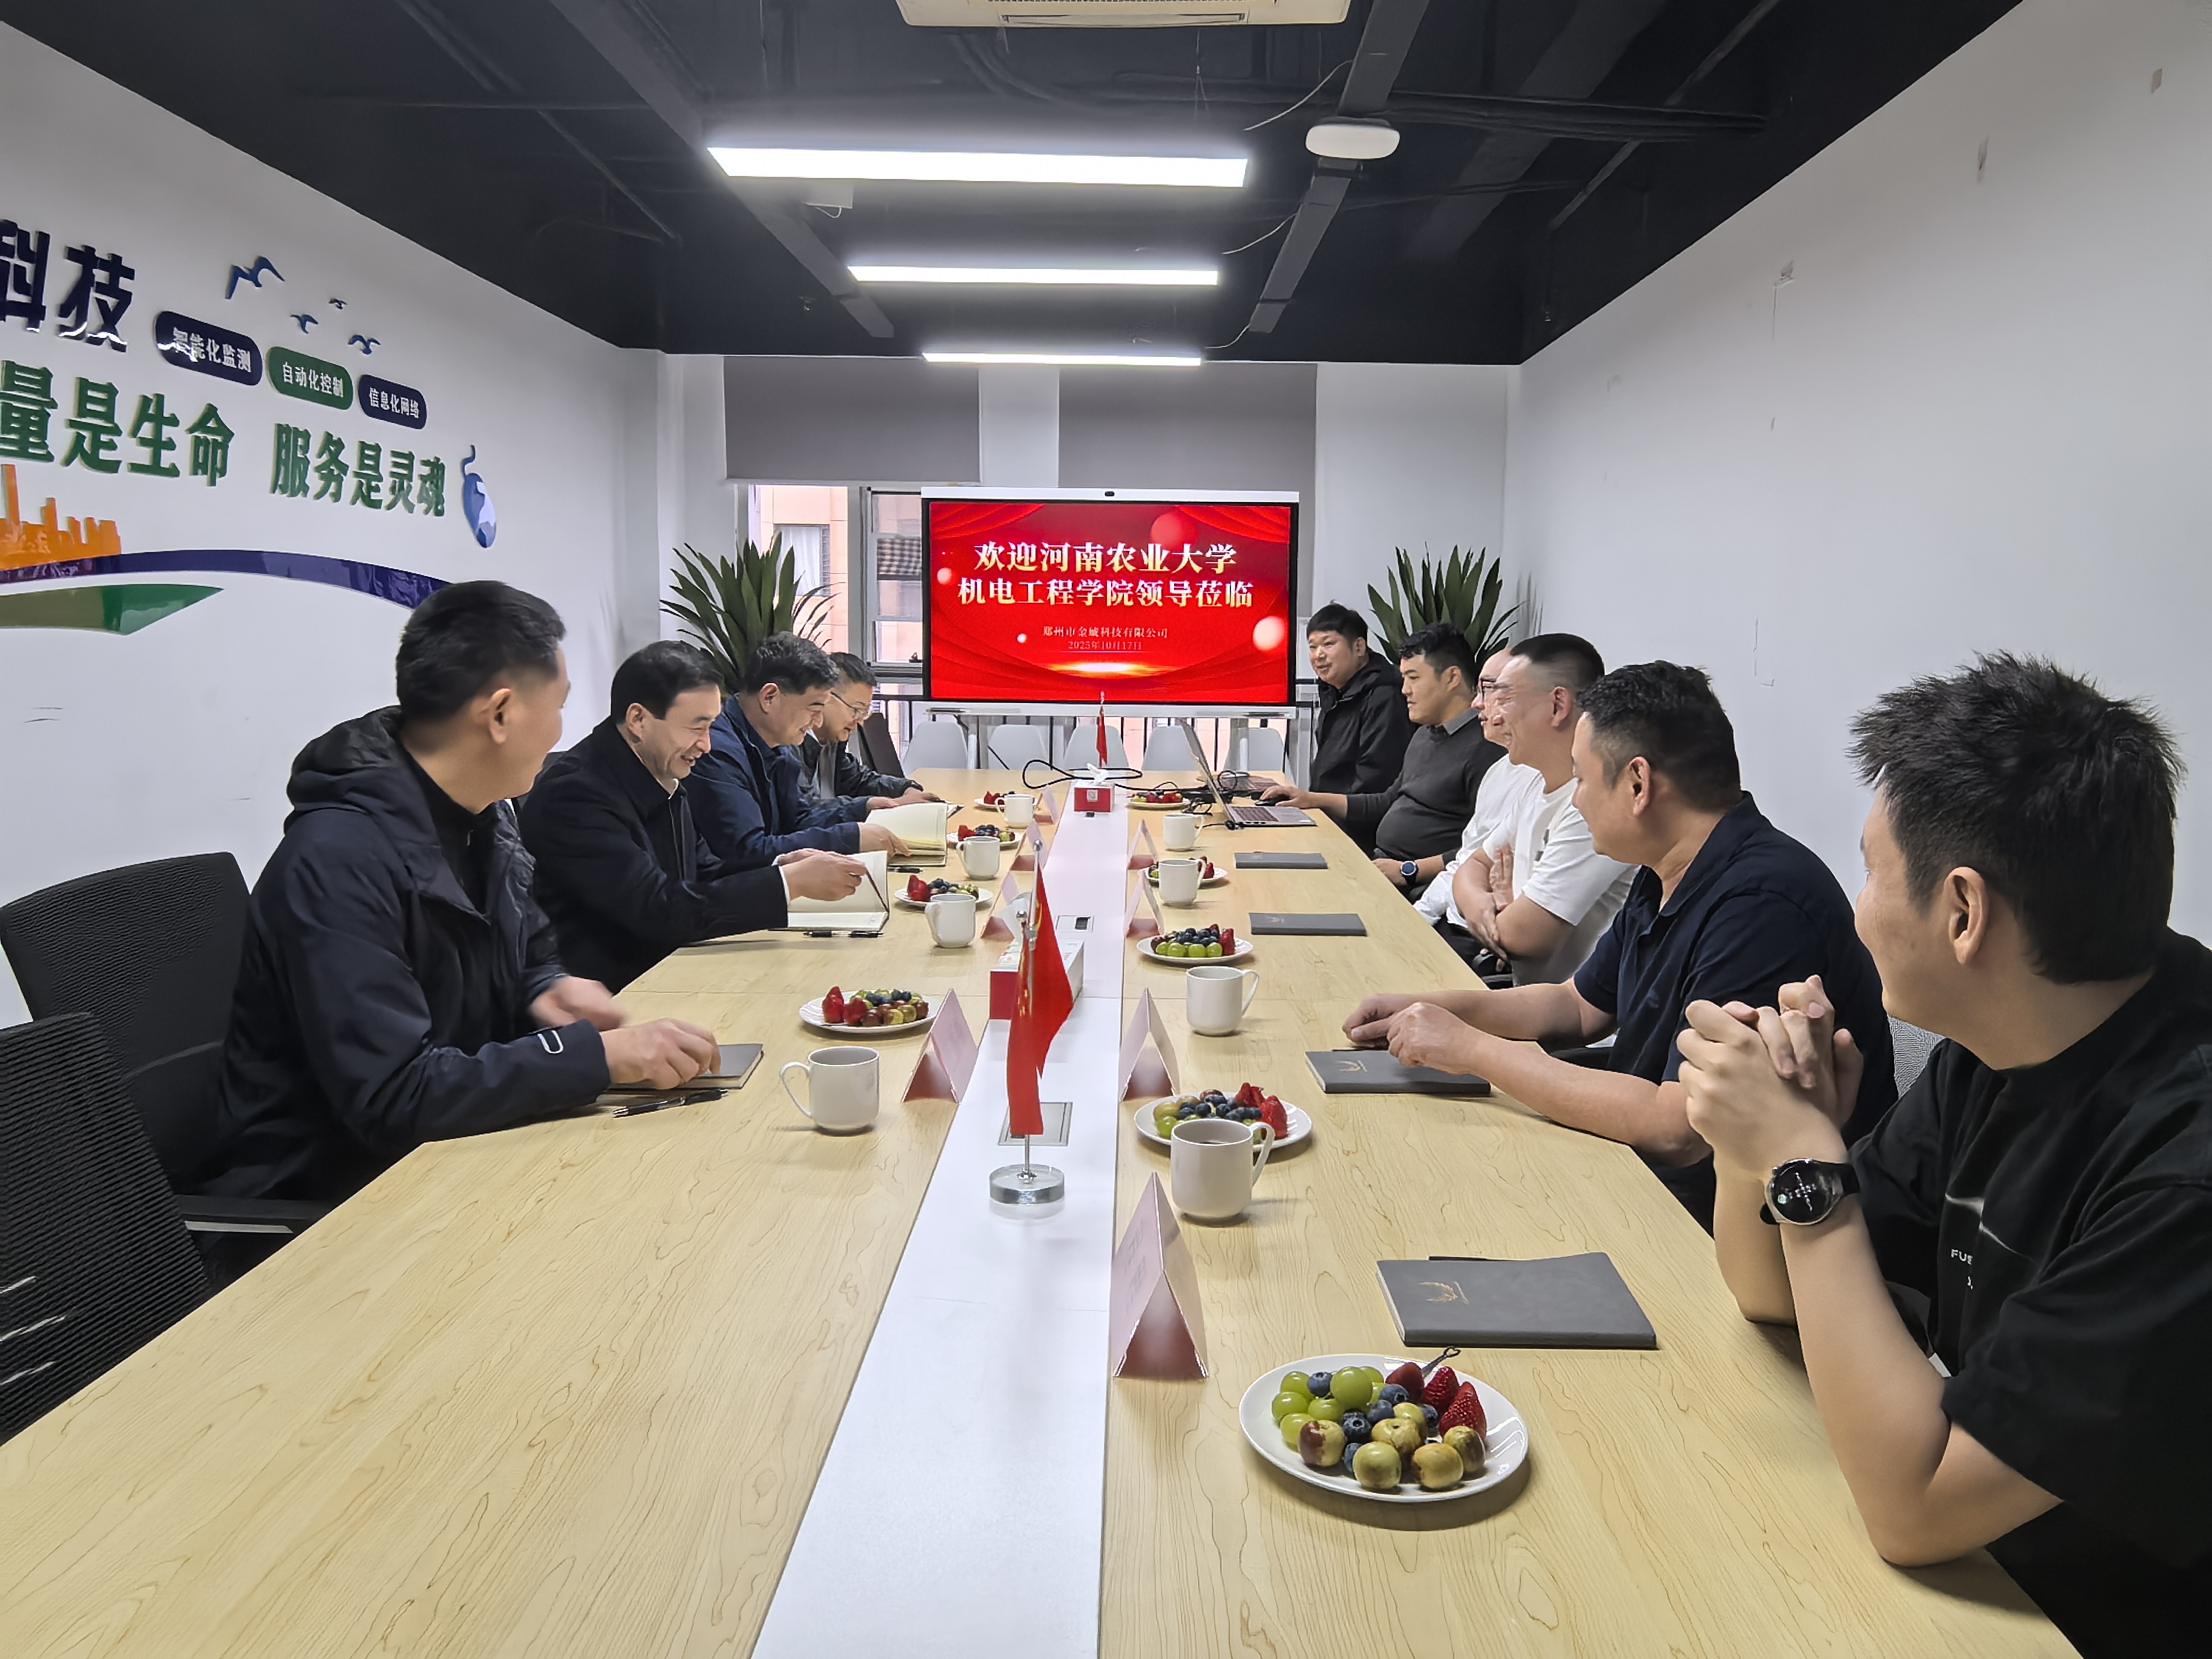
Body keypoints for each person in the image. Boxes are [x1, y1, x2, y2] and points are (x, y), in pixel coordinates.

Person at [1677, 656, 2211, 1655]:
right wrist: (1762, 1147)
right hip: (1978, 1573)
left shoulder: (2185, 1173)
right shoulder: (2010, 1033)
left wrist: (1806, 1166)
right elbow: (1769, 1295)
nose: (1857, 908)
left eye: (1872, 871)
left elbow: (1914, 1508)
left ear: (1963, 913)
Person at [207, 582, 722, 1202]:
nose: (561, 733)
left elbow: (528, 955)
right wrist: (598, 1057)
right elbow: (394, 1095)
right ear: (500, 714)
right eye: (558, 707)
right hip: (339, 1197)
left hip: (460, 1150)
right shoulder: (336, 861)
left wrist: (545, 988)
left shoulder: (488, 816)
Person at [1346, 661, 1893, 1226]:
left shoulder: (1762, 905)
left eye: (1581, 780)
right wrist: (1429, 1009)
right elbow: (1578, 1006)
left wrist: (1472, 1050)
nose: (1577, 801)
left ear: (1638, 784)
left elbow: (1678, 1130)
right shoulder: (1665, 869)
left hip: (1733, 1223)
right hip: (1641, 1166)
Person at [519, 642, 866, 991]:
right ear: (639, 720)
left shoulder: (661, 770)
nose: (707, 745)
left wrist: (781, 866)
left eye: (711, 727)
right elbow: (658, 911)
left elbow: (703, 871)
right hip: (613, 995)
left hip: (668, 972)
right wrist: (788, 883)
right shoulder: (576, 794)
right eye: (697, 728)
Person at [1453, 634, 1632, 985]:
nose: (1492, 713)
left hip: (1568, 1010)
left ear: (1557, 706)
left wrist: (1503, 911)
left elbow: (1525, 939)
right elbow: (1471, 867)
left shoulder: (1592, 805)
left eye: (1504, 699)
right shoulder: (1535, 784)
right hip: (1527, 995)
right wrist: (1493, 907)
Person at [1262, 622, 1498, 873]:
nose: (1405, 690)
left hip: (1417, 881)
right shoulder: (1425, 735)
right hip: (1381, 862)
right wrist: (1309, 799)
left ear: (1452, 678)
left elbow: (1488, 848)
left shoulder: (1486, 750)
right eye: (1404, 678)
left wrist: (1409, 871)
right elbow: (1387, 801)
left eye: (1414, 678)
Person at [689, 632, 913, 870]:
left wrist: (863, 808)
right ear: (770, 697)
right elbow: (749, 852)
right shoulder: (717, 752)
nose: (818, 722)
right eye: (814, 709)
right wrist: (849, 838)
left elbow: (799, 818)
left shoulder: (779, 745)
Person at [1416, 647, 1541, 964]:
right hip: (1456, 918)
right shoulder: (1501, 769)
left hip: (1479, 941)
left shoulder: (1541, 780)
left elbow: (1508, 916)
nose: (1478, 703)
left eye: (1493, 690)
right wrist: (1418, 917)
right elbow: (1468, 862)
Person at [1303, 603, 1415, 852]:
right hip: (1328, 820)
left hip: (1359, 834)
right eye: (1312, 647)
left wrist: (1318, 806)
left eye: (1328, 644)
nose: (1318, 655)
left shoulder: (1386, 694)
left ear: (1359, 647)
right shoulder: (1335, 690)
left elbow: (1375, 782)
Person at [799, 651, 938, 811]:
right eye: (856, 709)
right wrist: (870, 806)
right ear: (825, 698)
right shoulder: (793, 746)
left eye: (864, 712)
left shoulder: (833, 744)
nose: (859, 720)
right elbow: (805, 814)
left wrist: (905, 789)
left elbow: (859, 781)